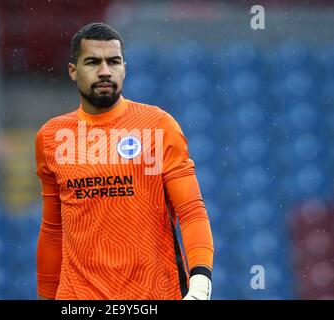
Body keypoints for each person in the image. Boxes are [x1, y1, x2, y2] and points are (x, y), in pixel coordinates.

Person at [35, 22, 214, 300]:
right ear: (73, 71)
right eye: (93, 62)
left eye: (113, 61)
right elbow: (52, 229)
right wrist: (45, 295)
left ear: (124, 68)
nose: (105, 71)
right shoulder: (52, 136)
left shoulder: (158, 126)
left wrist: (201, 284)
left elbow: (191, 211)